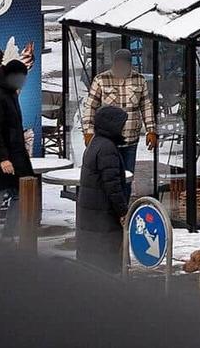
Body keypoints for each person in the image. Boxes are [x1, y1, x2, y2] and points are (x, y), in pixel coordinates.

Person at [0, 59, 34, 242]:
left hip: (16, 156)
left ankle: (8, 236)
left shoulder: (10, 93)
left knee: (21, 196)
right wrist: (3, 158)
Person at [81, 49, 156, 174]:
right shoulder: (101, 79)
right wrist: (88, 132)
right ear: (114, 63)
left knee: (127, 176)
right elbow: (90, 107)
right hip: (108, 141)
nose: (122, 67)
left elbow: (146, 106)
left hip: (130, 138)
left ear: (130, 64)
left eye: (125, 64)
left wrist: (151, 130)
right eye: (119, 64)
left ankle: (126, 194)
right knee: (110, 175)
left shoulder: (139, 80)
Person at [76, 104, 131, 273]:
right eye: (121, 125)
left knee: (91, 265)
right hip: (103, 217)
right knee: (105, 267)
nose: (124, 129)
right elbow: (113, 186)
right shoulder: (108, 148)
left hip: (92, 216)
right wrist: (123, 211)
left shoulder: (96, 143)